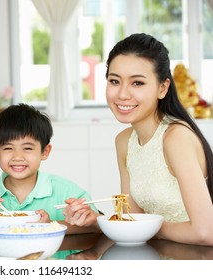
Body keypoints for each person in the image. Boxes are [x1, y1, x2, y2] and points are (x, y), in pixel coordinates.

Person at [64, 33, 213, 246]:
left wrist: (152, 228)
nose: (122, 94)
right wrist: (95, 221)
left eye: (137, 83)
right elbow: (132, 220)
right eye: (114, 81)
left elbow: (206, 232)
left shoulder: (175, 137)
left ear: (162, 88)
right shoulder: (124, 141)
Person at [0, 103, 101, 235]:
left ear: (45, 151)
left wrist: (52, 225)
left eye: (27, 148)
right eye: (8, 148)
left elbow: (98, 226)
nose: (18, 156)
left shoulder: (67, 192)